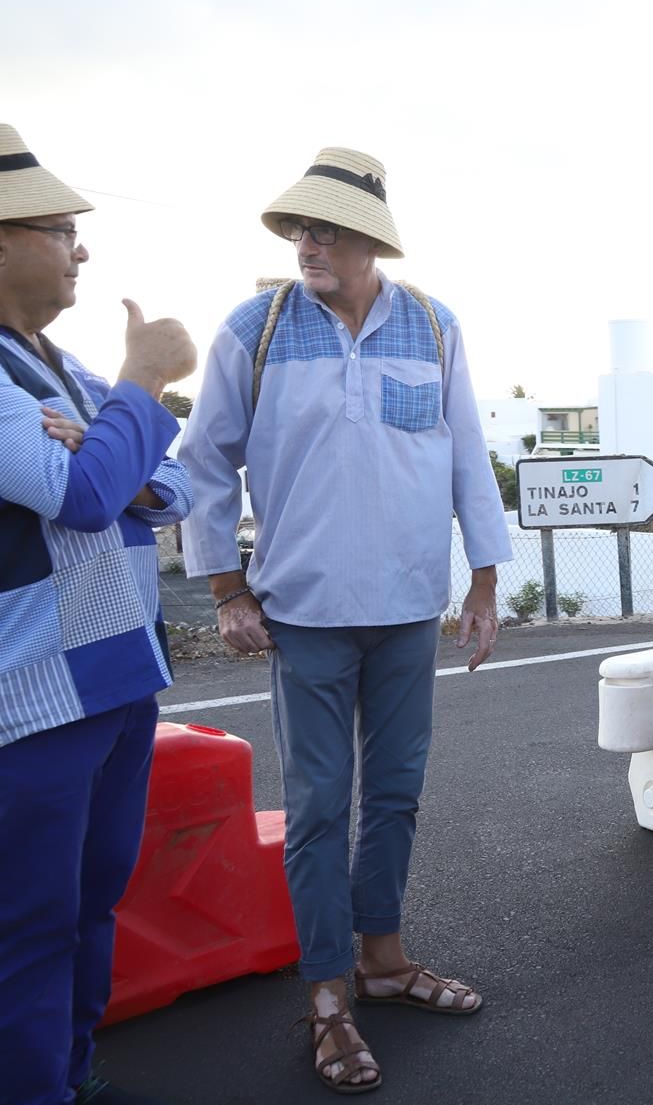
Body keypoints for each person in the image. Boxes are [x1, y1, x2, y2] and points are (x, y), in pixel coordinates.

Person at [180, 148, 511, 1095]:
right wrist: (226, 590)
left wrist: (482, 585)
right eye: (299, 227)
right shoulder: (259, 324)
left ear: (372, 238)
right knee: (320, 805)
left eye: (324, 228)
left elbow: (463, 458)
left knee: (397, 793)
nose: (306, 242)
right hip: (304, 613)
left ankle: (384, 959)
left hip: (410, 604)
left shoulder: (435, 326)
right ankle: (328, 995)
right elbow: (206, 462)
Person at [0, 126, 196, 1105]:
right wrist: (143, 384)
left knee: (91, 905)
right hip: (34, 693)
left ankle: (69, 1072)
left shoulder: (67, 370)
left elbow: (166, 491)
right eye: (60, 229)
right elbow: (83, 496)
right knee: (31, 921)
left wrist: (110, 441)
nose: (81, 250)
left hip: (118, 672)